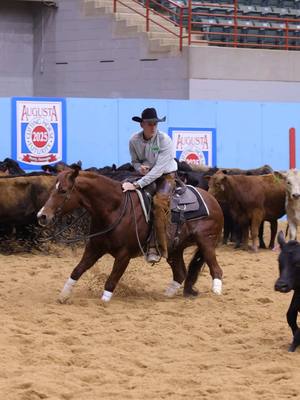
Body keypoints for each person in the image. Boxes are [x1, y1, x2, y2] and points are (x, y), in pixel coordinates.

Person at [122, 107, 178, 264]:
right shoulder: (134, 140)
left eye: (155, 123)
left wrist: (137, 185)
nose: (153, 126)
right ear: (142, 125)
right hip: (146, 175)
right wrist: (139, 168)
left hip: (166, 175)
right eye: (149, 123)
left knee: (159, 203)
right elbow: (134, 161)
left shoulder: (165, 140)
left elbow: (159, 170)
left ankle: (155, 246)